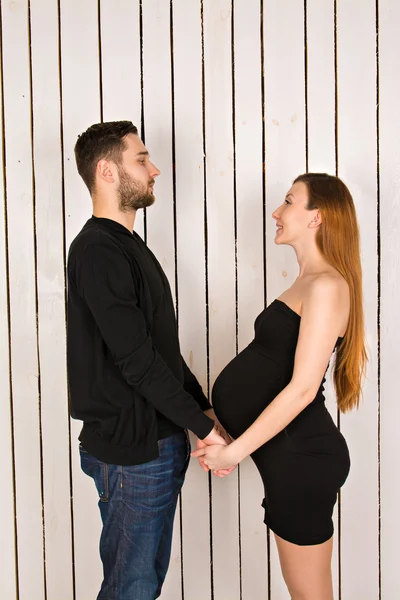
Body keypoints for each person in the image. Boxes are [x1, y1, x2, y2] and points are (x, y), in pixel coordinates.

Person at [67, 120, 229, 600]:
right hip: (131, 453)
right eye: (141, 159)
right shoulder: (98, 249)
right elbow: (136, 361)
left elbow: (160, 352)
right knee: (130, 589)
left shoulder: (128, 247)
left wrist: (204, 412)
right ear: (107, 171)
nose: (155, 169)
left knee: (141, 585)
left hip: (154, 446)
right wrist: (202, 426)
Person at [192, 173, 367, 600]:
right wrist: (222, 426)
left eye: (289, 201)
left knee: (310, 596)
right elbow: (271, 376)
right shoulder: (309, 283)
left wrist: (234, 451)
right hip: (290, 459)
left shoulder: (326, 286)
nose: (276, 211)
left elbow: (303, 389)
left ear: (316, 218)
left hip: (302, 460)